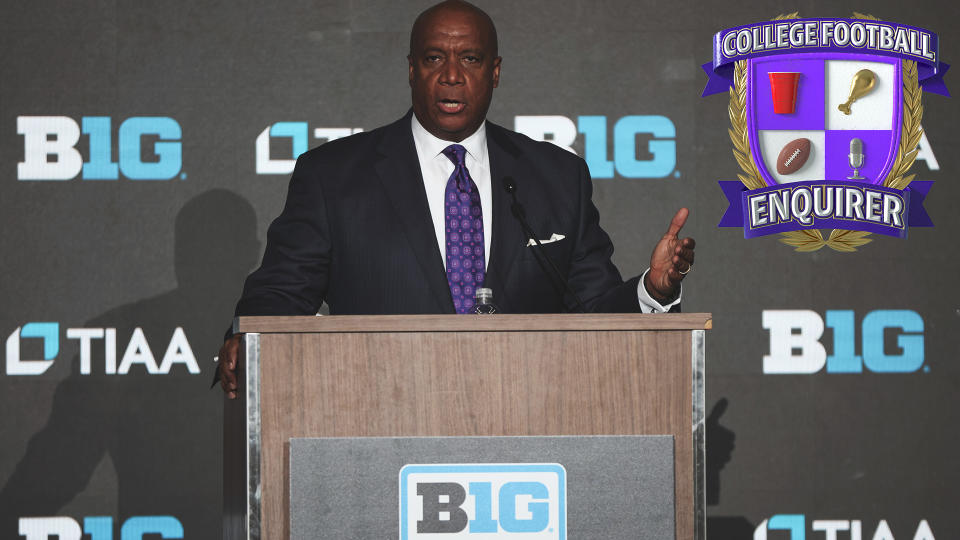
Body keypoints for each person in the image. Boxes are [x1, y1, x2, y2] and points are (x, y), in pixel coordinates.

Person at [217, 0, 695, 398]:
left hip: (529, 420)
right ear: (410, 69)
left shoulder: (556, 177)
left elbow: (594, 312)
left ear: (495, 71)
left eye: (469, 59)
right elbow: (282, 290)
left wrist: (653, 290)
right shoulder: (335, 176)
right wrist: (249, 335)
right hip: (377, 418)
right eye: (433, 58)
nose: (450, 75)